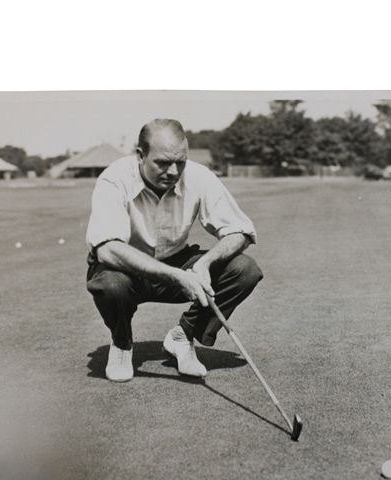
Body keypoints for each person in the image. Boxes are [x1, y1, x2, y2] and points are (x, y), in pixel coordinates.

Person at [85, 119, 263, 382]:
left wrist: (206, 262)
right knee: (111, 284)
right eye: (162, 162)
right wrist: (177, 277)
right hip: (125, 268)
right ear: (140, 156)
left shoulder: (199, 176)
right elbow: (107, 249)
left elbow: (241, 232)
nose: (173, 171)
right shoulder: (115, 178)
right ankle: (121, 344)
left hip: (177, 260)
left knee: (244, 270)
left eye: (180, 162)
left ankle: (183, 336)